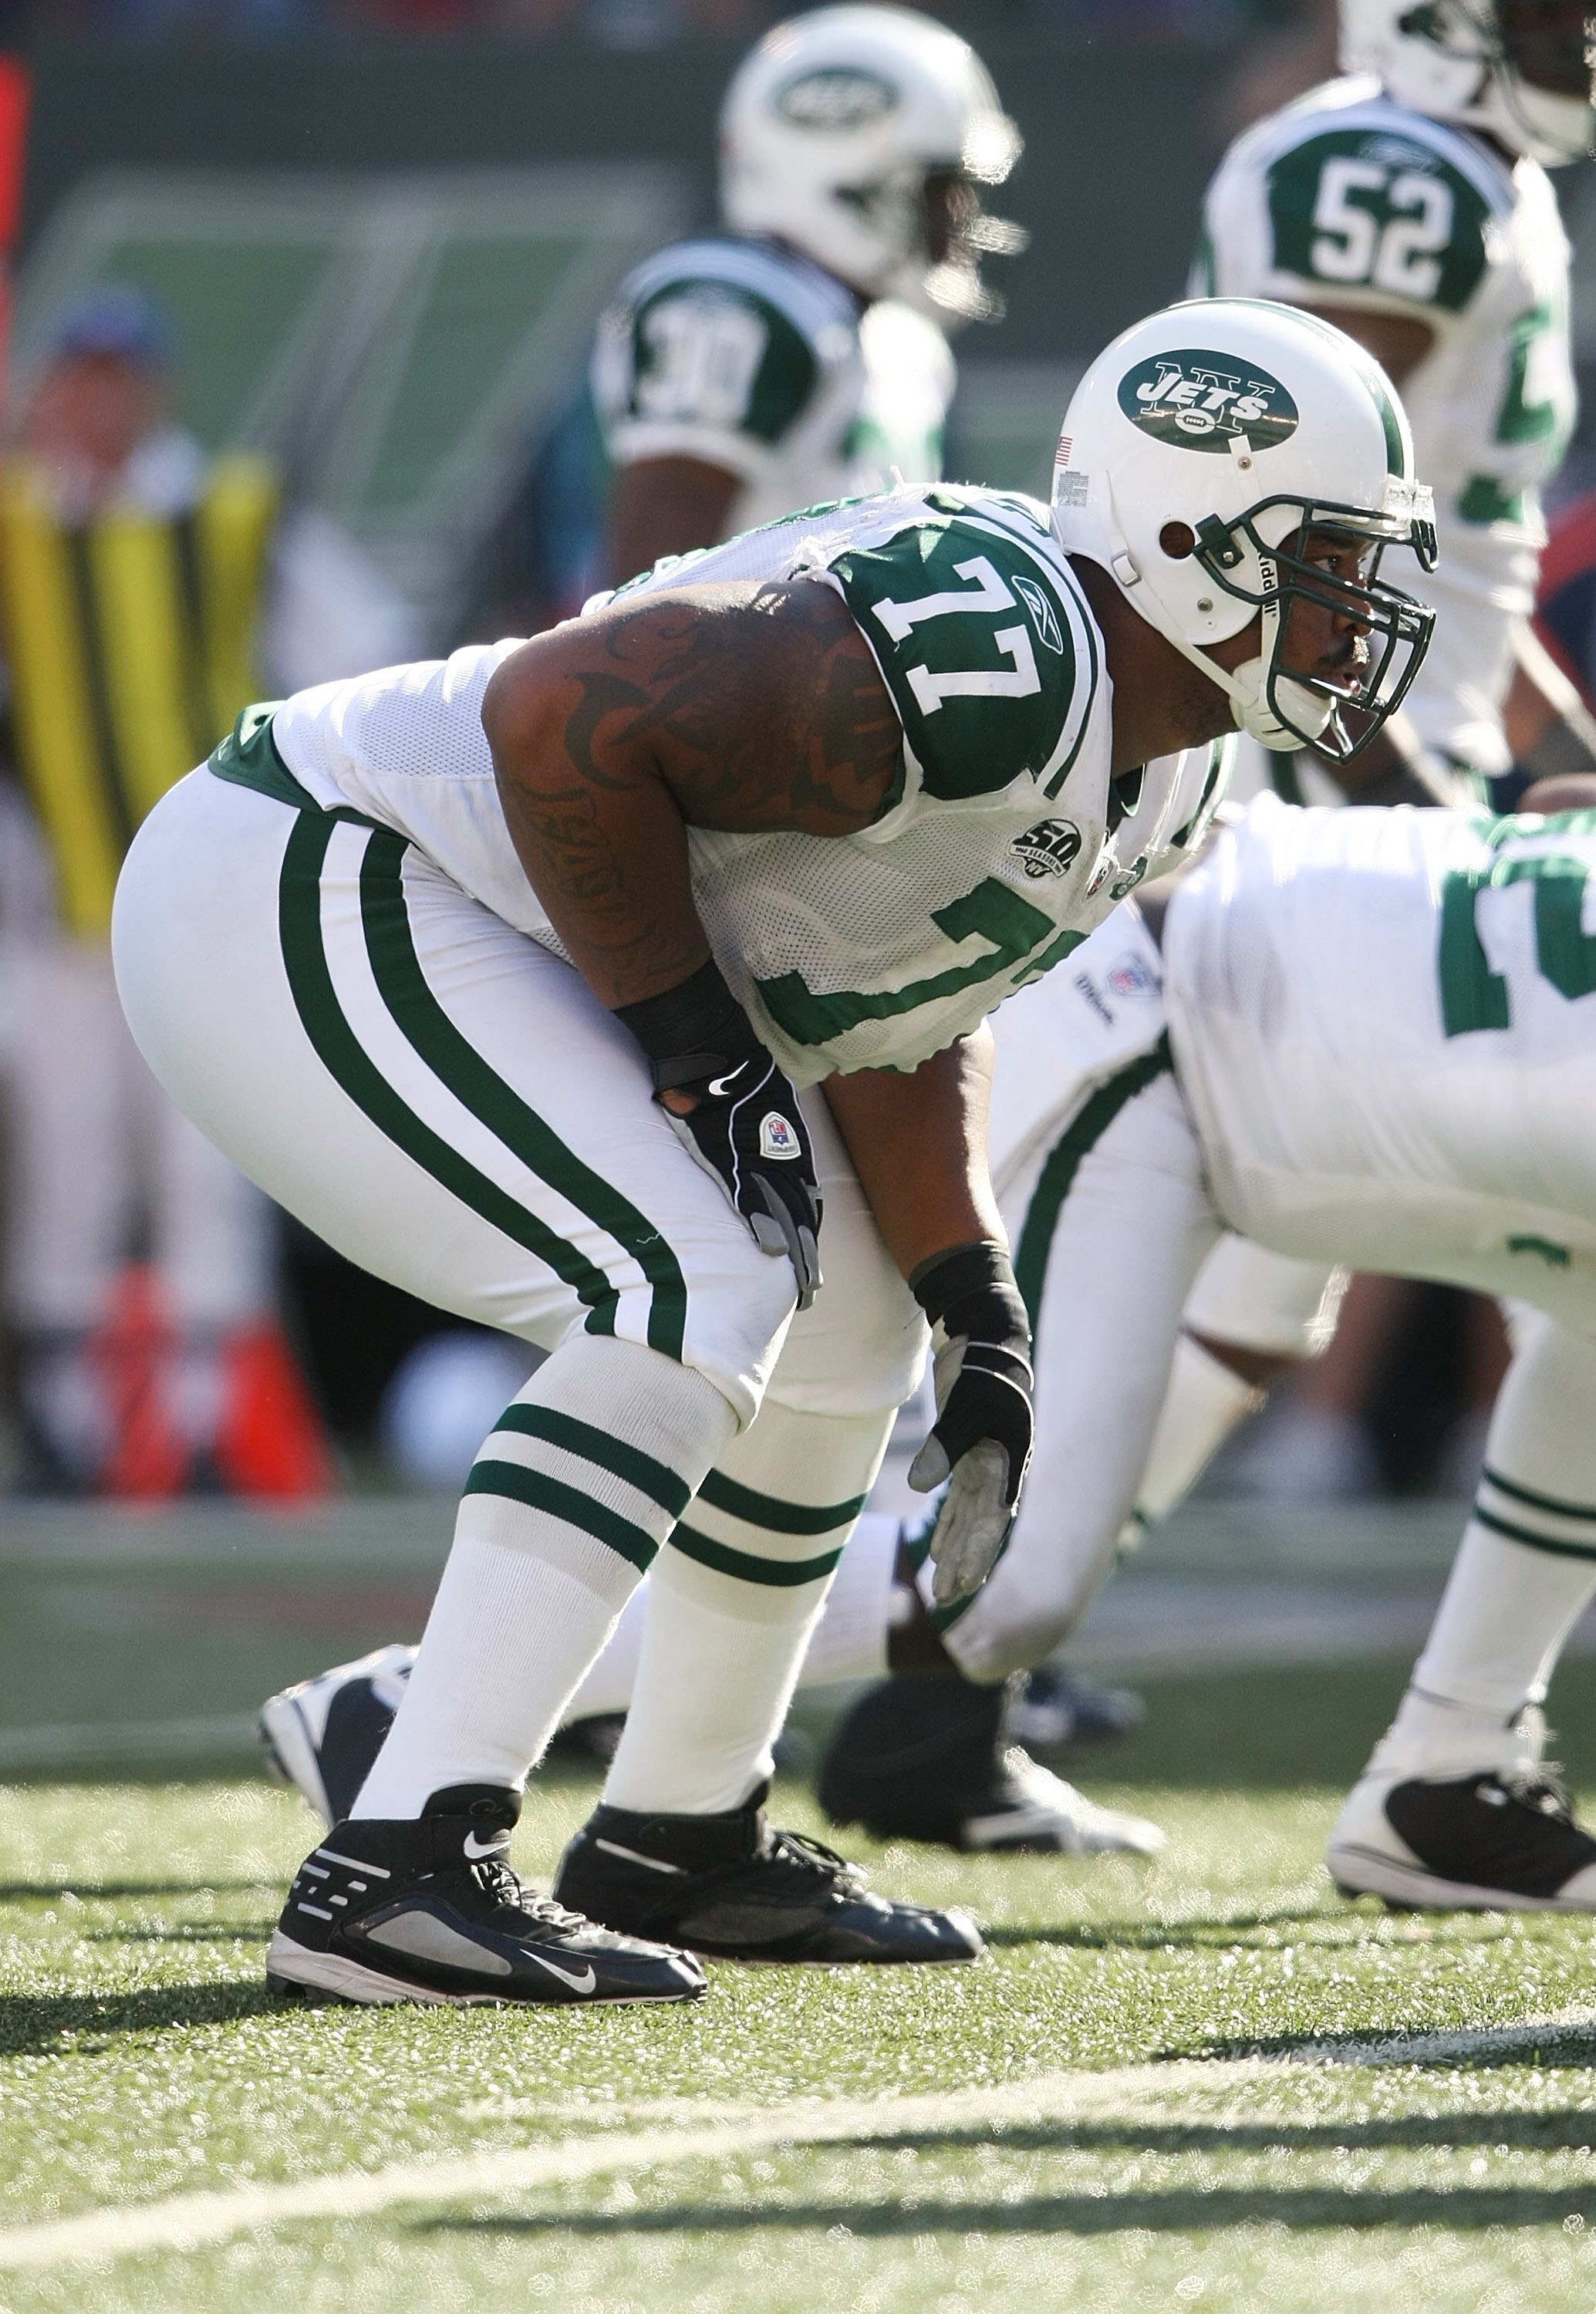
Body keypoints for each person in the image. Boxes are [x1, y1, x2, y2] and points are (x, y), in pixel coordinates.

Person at [113, 295, 1432, 2007]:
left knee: (845, 1327)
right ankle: (400, 1858)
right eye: (1316, 558)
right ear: (1185, 537)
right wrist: (688, 1048)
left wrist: (977, 1300)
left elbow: (894, 1010)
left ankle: (681, 1831)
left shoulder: (1167, 768)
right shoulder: (1000, 644)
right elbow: (558, 719)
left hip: (504, 922)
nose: (1352, 610)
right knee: (688, 1277)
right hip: (323, 865)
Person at [1052, 0, 1596, 1538]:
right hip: (1285, 771)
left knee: (1281, 1247)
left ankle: (969, 1639)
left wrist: (1561, 771)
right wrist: (1416, 835)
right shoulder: (1399, 175)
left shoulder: (1469, 174)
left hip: (1347, 754)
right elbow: (1281, 548)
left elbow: (1468, 605)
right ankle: (919, 1602)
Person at [0, 284, 416, 1493]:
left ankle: (196, 1425)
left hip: (205, 916)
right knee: (68, 1175)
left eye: (116, 379)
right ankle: (71, 1430)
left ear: (154, 390)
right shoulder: (19, 529)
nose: (96, 404)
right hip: (64, 922)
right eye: (76, 378)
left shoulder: (235, 518)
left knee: (205, 1166)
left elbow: (366, 657)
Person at [590, 2, 1023, 586]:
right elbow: (641, 602)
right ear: (840, 176)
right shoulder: (739, 301)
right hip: (732, 674)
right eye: (936, 189)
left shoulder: (900, 343)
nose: (956, 218)